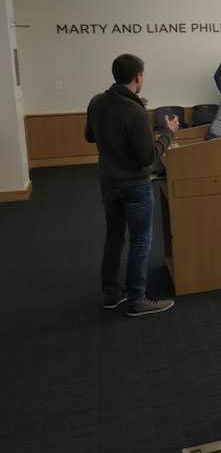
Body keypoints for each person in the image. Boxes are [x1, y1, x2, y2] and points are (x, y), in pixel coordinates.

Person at [85, 53, 177, 316]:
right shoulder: (134, 111)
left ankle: (111, 294)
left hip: (108, 181)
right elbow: (147, 156)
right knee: (140, 240)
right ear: (138, 76)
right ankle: (137, 299)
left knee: (114, 236)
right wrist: (168, 134)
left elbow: (89, 135)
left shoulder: (98, 102)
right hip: (134, 185)